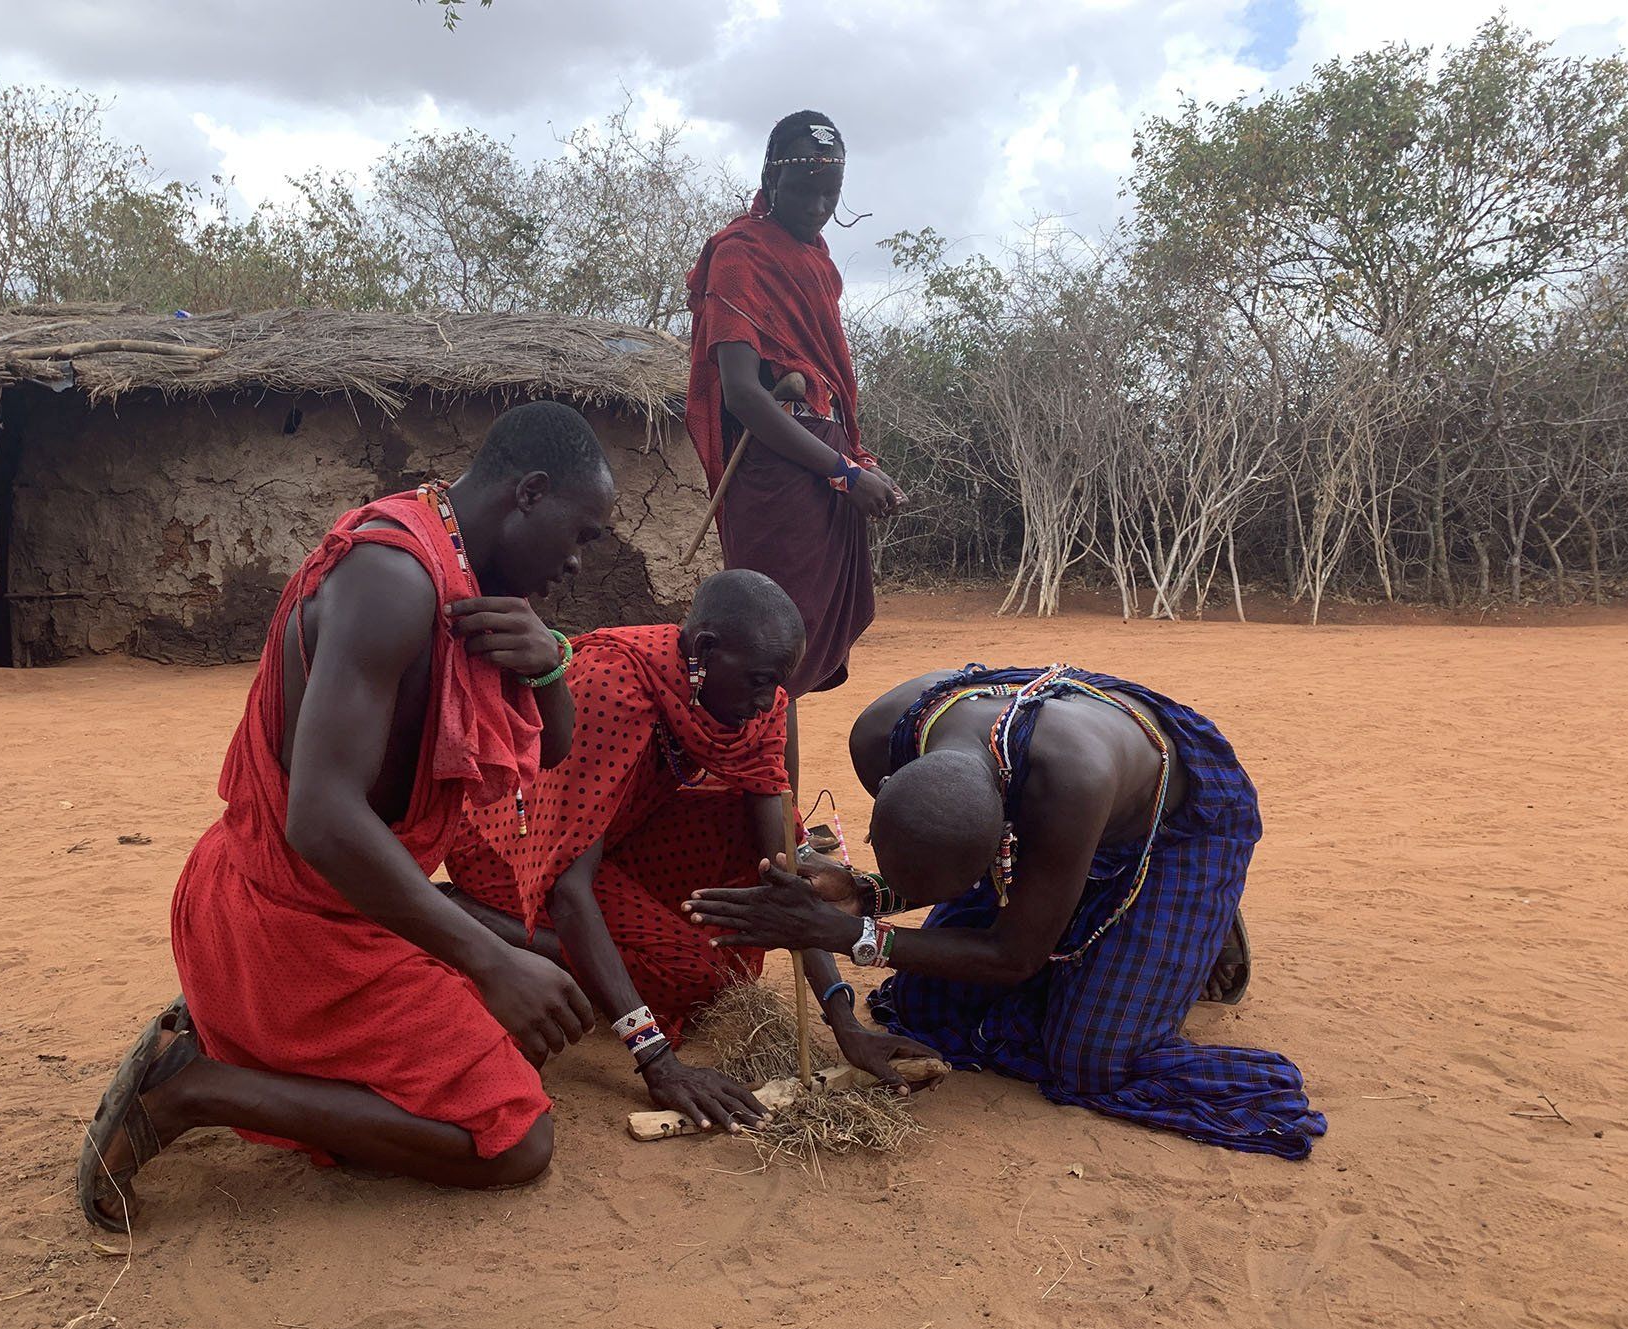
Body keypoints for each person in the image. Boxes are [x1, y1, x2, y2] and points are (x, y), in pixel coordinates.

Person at [76, 402, 617, 1230]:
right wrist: (488, 962)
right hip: (291, 929)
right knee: (516, 1141)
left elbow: (547, 752)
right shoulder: (394, 581)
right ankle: (196, 1088)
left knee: (530, 1011)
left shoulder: (463, 578)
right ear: (530, 493)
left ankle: (237, 1036)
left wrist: (550, 667)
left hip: (308, 912)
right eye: (581, 535)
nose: (578, 564)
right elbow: (321, 820)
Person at [684, 664, 1327, 1159]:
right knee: (926, 1007)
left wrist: (853, 933)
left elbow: (1013, 958)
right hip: (1041, 799)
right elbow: (924, 867)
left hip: (1173, 821)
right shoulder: (881, 737)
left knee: (1092, 1060)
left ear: (1001, 844)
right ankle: (1097, 922)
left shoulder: (1069, 787)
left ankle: (1193, 920)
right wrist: (864, 894)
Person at [443, 570, 937, 1134]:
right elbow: (567, 881)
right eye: (755, 682)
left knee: (737, 924)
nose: (762, 703)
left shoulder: (760, 700)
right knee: (691, 974)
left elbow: (785, 878)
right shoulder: (612, 683)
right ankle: (462, 917)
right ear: (704, 650)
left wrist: (844, 1019)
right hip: (515, 848)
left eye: (775, 685)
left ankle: (557, 940)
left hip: (618, 836)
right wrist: (657, 1059)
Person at [684, 109, 905, 789]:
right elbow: (745, 395)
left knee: (792, 660)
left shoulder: (816, 261)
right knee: (767, 655)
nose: (819, 207)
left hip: (821, 467)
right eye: (807, 191)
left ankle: (775, 814)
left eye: (831, 195)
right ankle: (760, 817)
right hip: (777, 479)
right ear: (770, 179)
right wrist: (841, 472)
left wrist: (857, 463)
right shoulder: (741, 254)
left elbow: (823, 384)